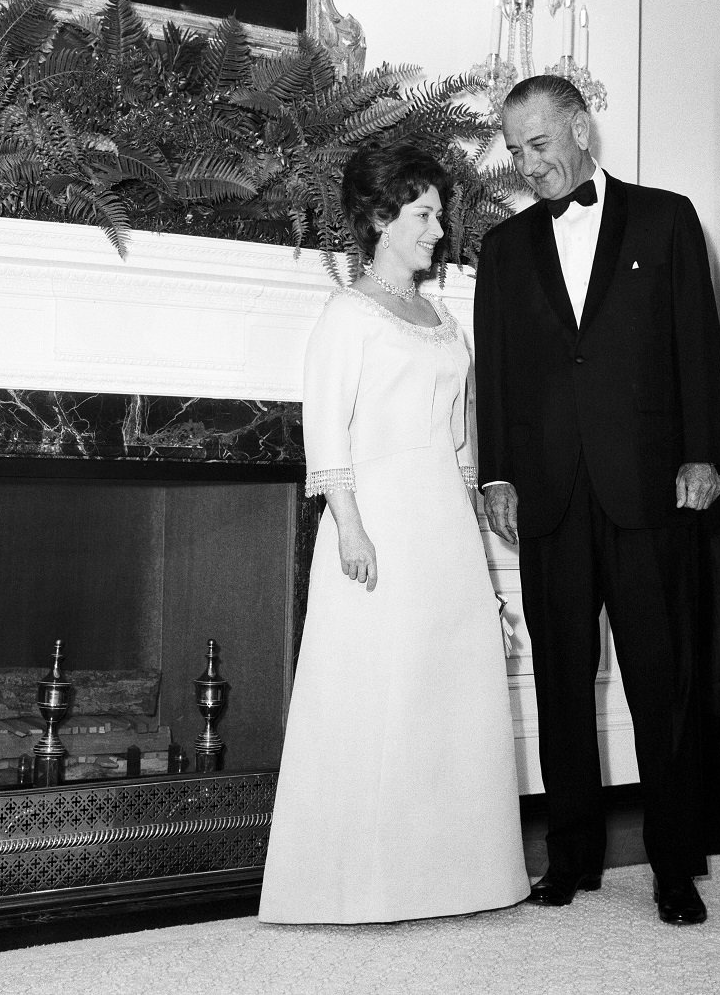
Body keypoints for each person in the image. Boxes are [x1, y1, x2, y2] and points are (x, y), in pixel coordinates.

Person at [473, 75, 720, 926]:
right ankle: (571, 855)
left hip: (650, 483)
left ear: (581, 129)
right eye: (515, 152)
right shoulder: (504, 249)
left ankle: (673, 864)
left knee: (663, 680)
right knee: (560, 678)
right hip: (547, 492)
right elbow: (498, 373)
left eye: (539, 145)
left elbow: (697, 340)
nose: (528, 166)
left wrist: (704, 453)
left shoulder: (667, 218)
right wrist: (497, 472)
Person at [258, 140, 530, 924]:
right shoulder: (348, 316)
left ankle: (460, 878)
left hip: (442, 521)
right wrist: (349, 529)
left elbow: (457, 433)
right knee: (382, 696)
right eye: (423, 214)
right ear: (380, 218)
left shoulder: (439, 314)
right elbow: (326, 429)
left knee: (447, 692)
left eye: (439, 214)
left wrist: (474, 518)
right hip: (375, 523)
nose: (438, 230)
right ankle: (361, 886)